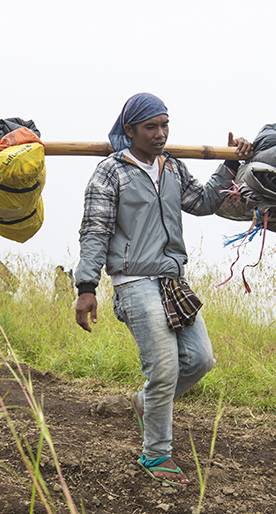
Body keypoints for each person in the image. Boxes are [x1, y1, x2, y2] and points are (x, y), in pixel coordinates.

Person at [74, 93, 252, 485]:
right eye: (151, 127)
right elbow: (95, 231)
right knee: (165, 367)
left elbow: (203, 202)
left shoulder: (171, 167)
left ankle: (145, 402)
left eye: (165, 125)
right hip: (133, 280)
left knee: (201, 359)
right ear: (130, 130)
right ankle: (156, 455)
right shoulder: (110, 173)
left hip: (172, 279)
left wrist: (231, 164)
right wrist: (87, 286)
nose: (160, 134)